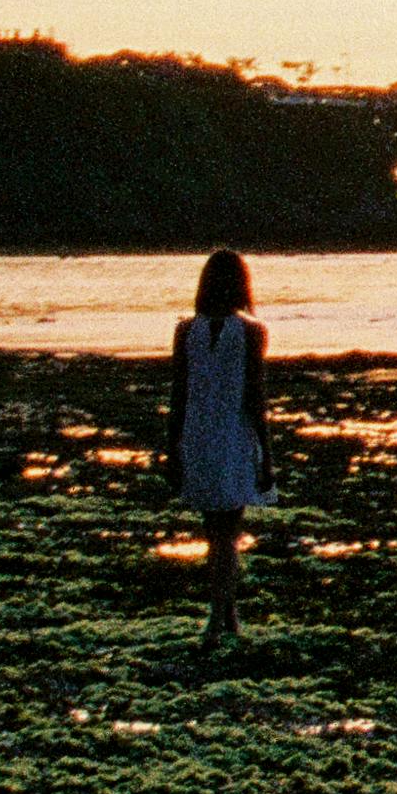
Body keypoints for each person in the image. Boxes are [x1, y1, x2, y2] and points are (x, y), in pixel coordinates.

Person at [171, 249, 267, 648]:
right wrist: (267, 454)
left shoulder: (185, 330)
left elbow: (179, 395)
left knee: (215, 531)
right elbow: (255, 397)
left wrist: (172, 447)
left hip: (198, 434)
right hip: (233, 434)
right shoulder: (251, 332)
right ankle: (220, 615)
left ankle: (225, 613)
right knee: (228, 531)